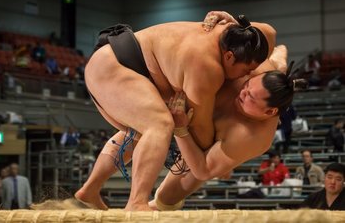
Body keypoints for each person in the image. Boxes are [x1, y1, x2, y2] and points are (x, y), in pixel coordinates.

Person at [75, 13, 276, 210]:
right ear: (230, 56)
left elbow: (270, 32)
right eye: (246, 69)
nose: (248, 75)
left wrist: (229, 17)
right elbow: (199, 127)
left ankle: (89, 190)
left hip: (114, 61)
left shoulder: (238, 32)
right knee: (160, 124)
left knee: (138, 131)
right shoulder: (207, 67)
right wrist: (217, 157)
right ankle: (136, 202)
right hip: (113, 68)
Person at [148, 40, 307, 210]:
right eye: (247, 85)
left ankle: (223, 162)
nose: (243, 92)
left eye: (250, 97)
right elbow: (273, 38)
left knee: (165, 199)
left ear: (269, 112)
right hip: (192, 99)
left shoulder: (250, 137)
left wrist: (180, 130)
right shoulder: (261, 69)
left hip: (210, 148)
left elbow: (203, 170)